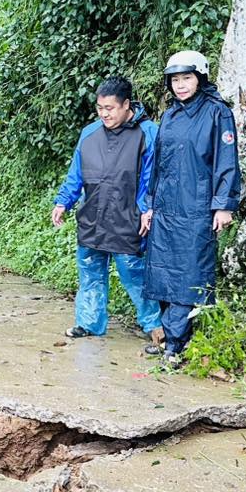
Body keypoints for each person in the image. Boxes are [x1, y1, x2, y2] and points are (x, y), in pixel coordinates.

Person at [142, 50, 241, 366]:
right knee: (162, 273)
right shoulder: (170, 115)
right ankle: (169, 338)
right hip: (165, 208)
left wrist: (223, 205)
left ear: (200, 77)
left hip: (197, 209)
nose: (181, 85)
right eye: (175, 80)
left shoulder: (217, 113)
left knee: (189, 274)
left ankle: (176, 345)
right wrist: (150, 204)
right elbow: (158, 165)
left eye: (187, 78)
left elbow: (227, 162)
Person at [51, 77, 164, 344]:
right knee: (90, 272)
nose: (104, 114)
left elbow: (153, 178)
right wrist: (63, 202)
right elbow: (76, 172)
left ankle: (155, 325)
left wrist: (147, 209)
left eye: (110, 108)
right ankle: (89, 323)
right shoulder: (90, 133)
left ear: (126, 105)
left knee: (134, 274)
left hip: (128, 218)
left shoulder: (148, 133)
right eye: (100, 108)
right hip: (92, 216)